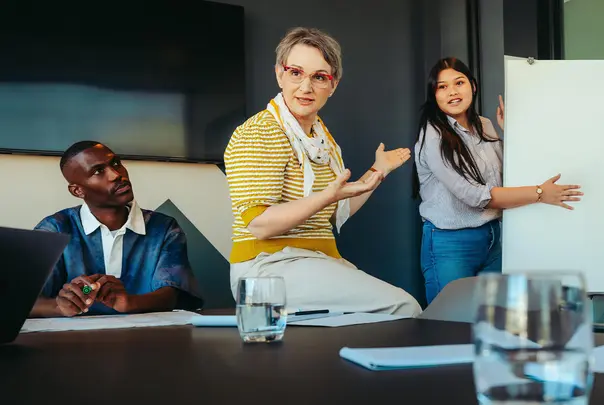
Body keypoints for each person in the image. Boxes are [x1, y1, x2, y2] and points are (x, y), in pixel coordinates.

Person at [224, 27, 421, 316]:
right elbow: (259, 225)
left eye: (319, 77)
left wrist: (377, 172)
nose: (306, 87)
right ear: (279, 74)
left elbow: (334, 210)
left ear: (333, 84)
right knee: (403, 307)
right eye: (295, 73)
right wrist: (327, 195)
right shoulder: (260, 131)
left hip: (314, 260)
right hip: (267, 269)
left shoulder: (322, 139)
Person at [414, 57, 584, 304]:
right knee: (452, 326)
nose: (452, 92)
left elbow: (508, 174)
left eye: (459, 82)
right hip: (450, 244)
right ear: (434, 95)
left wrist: (511, 131)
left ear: (472, 85)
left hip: (492, 238)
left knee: (493, 324)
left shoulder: (484, 124)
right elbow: (475, 196)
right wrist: (540, 193)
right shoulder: (433, 136)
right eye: (442, 87)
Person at [30, 141, 202, 318]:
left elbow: (172, 295)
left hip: (148, 339)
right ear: (78, 191)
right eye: (98, 171)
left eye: (115, 163)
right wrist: (58, 307)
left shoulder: (163, 228)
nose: (116, 174)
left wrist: (129, 302)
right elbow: (19, 300)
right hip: (72, 342)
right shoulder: (54, 229)